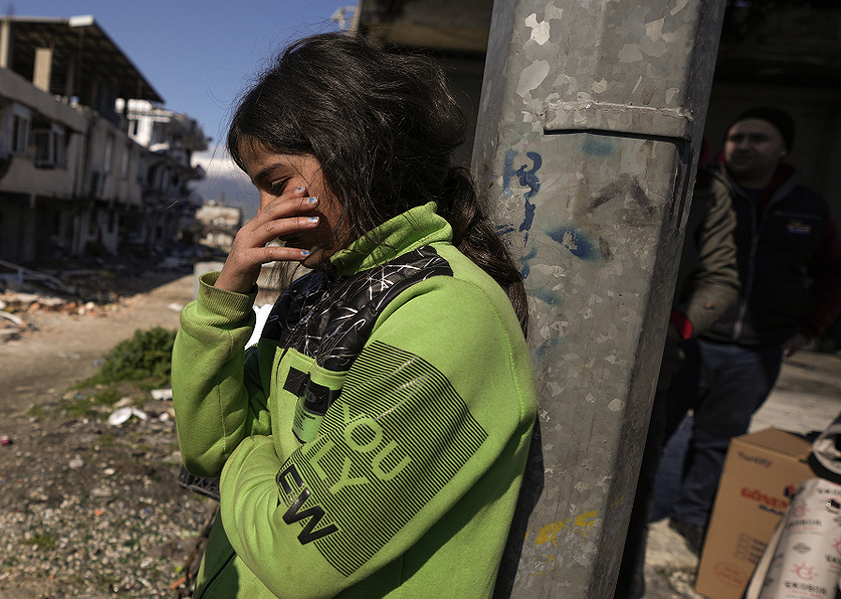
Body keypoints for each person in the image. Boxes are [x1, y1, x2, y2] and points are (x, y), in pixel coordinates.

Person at [171, 33, 537, 598]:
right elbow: (204, 445)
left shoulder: (449, 314)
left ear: (355, 149)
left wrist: (246, 455)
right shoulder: (315, 292)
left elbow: (295, 553)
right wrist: (224, 304)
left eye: (276, 183)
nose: (265, 214)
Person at [665, 107, 841, 551]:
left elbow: (833, 272)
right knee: (655, 429)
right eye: (736, 137)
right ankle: (633, 507)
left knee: (718, 441)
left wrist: (810, 328)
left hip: (756, 351)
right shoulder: (700, 191)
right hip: (691, 340)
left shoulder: (809, 209)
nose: (744, 146)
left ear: (783, 148)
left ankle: (691, 519)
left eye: (757, 139)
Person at [614, 142, 739, 599]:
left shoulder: (705, 185)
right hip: (540, 355)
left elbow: (720, 278)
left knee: (629, 493)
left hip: (649, 371)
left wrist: (677, 325)